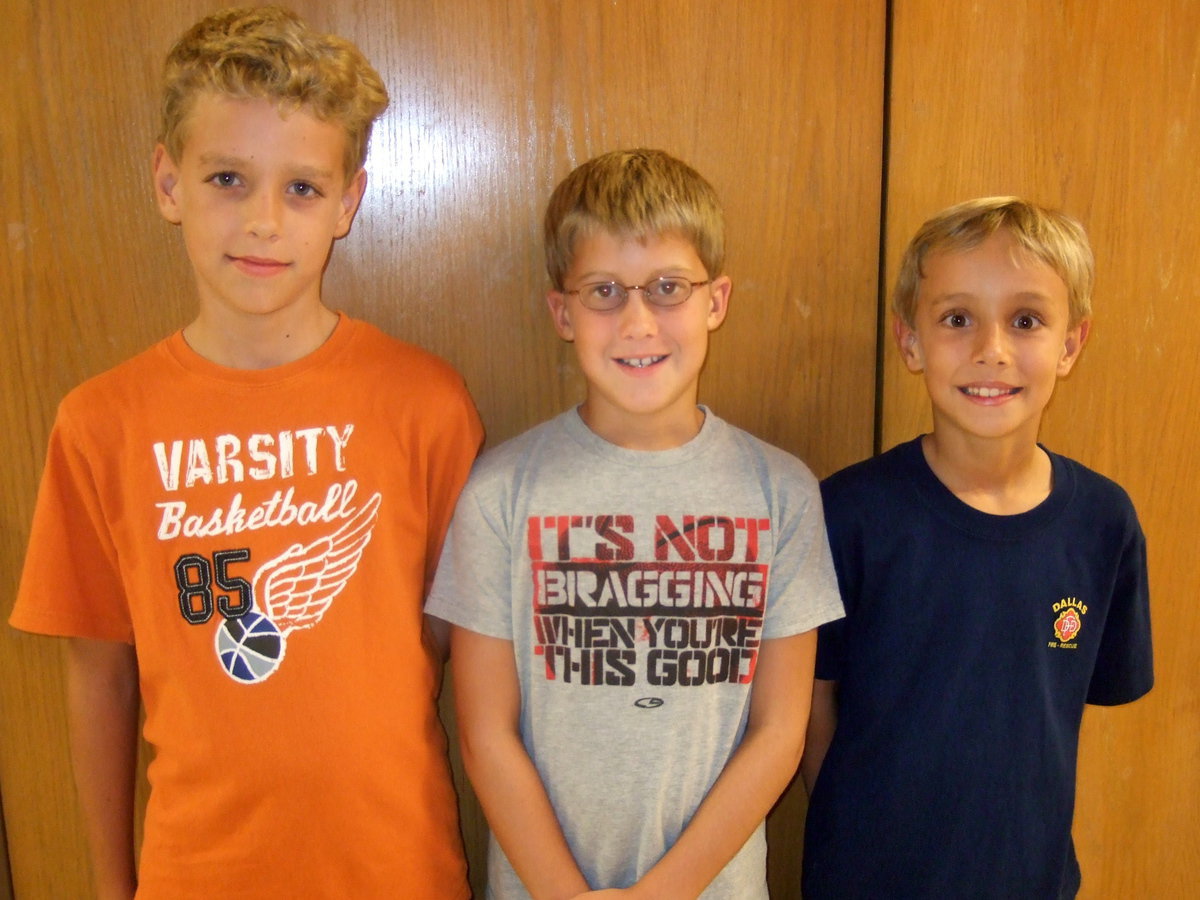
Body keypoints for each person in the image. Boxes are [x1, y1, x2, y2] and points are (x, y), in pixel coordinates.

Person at [9, 6, 482, 898]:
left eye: (302, 188)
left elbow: (467, 654)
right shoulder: (100, 424)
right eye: (228, 177)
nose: (264, 220)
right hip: (198, 876)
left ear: (349, 202)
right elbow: (99, 681)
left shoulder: (425, 403)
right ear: (167, 182)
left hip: (399, 871)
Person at [427, 148, 843, 899]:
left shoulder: (781, 494)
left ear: (716, 300)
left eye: (668, 288)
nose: (638, 320)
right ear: (562, 312)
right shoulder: (500, 494)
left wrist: (662, 894)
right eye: (605, 291)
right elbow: (486, 735)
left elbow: (780, 731)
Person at [800, 196, 1154, 899]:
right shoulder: (847, 514)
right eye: (957, 319)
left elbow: (1074, 709)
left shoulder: (1103, 522)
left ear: (1071, 344)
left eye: (1025, 320)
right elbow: (811, 711)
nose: (991, 349)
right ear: (910, 342)